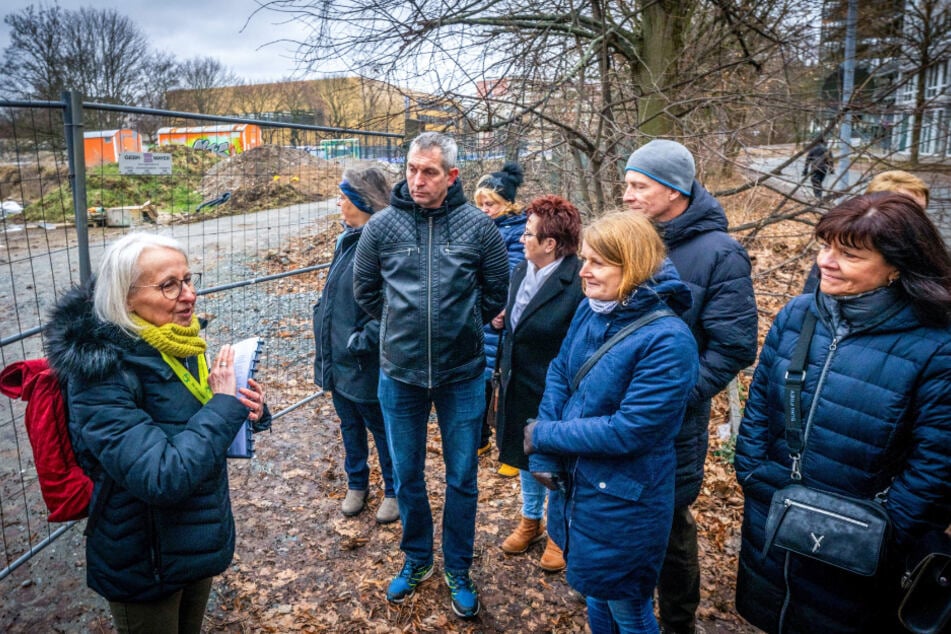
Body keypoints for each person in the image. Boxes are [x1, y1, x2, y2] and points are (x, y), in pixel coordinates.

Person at [734, 192, 951, 633]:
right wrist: (755, 476)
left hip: (861, 549)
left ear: (897, 266)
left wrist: (887, 527)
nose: (826, 262)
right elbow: (760, 404)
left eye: (848, 254)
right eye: (825, 246)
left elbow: (937, 462)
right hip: (775, 520)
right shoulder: (800, 314)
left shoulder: (936, 345)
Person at [43, 232, 270, 634]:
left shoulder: (175, 342)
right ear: (125, 298)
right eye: (169, 285)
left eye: (188, 279)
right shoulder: (100, 377)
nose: (190, 295)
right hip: (144, 558)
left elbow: (196, 419)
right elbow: (161, 475)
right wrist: (221, 406)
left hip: (195, 539)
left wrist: (247, 409)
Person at [353, 131, 510, 618]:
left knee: (463, 477)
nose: (417, 180)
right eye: (412, 170)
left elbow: (495, 294)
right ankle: (418, 558)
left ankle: (458, 566)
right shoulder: (381, 228)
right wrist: (400, 330)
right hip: (399, 375)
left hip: (462, 375)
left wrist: (458, 329)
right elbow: (366, 291)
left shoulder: (478, 229)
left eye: (430, 172)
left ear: (452, 176)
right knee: (407, 474)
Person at [525, 211, 699, 634]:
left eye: (598, 262)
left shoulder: (668, 340)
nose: (583, 272)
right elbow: (560, 373)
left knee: (629, 610)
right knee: (596, 594)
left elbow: (632, 429)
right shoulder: (593, 310)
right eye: (585, 258)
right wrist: (546, 451)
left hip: (625, 499)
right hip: (580, 487)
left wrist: (544, 434)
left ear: (634, 263)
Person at [623, 139, 757, 634]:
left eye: (639, 185)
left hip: (675, 423)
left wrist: (673, 396)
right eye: (627, 183)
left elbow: (734, 346)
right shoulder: (630, 236)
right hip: (614, 415)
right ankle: (620, 596)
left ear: (674, 189)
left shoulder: (720, 254)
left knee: (671, 530)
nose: (628, 194)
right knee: (618, 510)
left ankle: (678, 621)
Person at [494, 194, 584, 572]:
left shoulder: (577, 281)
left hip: (554, 394)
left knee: (555, 465)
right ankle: (530, 522)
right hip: (516, 385)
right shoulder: (521, 271)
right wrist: (504, 321)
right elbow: (520, 320)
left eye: (528, 234)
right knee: (523, 457)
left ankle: (558, 536)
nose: (520, 239)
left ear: (550, 244)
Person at [313, 166, 398, 524]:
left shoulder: (380, 245)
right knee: (349, 425)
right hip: (339, 356)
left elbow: (392, 306)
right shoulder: (346, 237)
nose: (339, 204)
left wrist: (360, 341)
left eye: (344, 198)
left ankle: (394, 490)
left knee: (381, 428)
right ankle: (357, 484)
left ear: (362, 202)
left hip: (363, 360)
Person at [473, 162, 527, 476]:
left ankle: (510, 451)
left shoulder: (518, 231)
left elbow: (513, 276)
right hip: (482, 318)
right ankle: (480, 440)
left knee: (505, 388)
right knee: (479, 382)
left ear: (507, 203)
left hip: (502, 319)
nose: (484, 210)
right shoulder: (482, 227)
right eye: (480, 204)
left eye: (490, 204)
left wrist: (501, 310)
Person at [802, 168, 931, 293]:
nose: (916, 218)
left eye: (920, 210)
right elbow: (812, 299)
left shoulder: (926, 253)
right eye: (905, 209)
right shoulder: (839, 247)